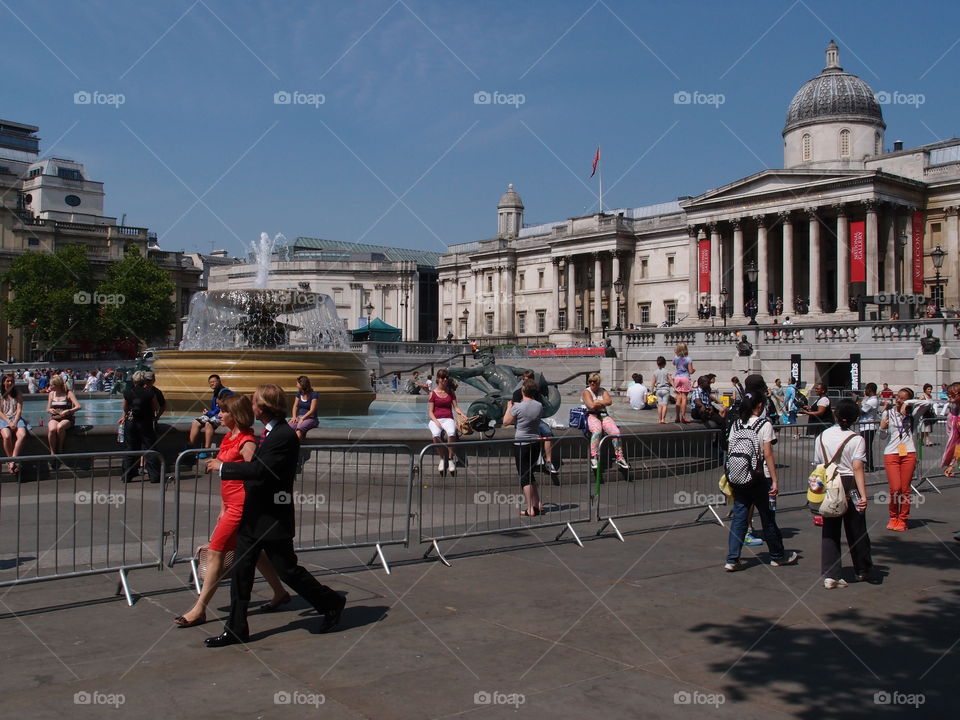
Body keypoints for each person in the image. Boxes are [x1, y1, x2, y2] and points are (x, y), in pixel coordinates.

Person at [203, 385, 346, 647]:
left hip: (272, 517)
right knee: (241, 572)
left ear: (264, 407)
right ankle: (236, 629)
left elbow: (260, 470)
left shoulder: (283, 436)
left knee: (288, 571)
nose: (251, 406)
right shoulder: (269, 434)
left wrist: (223, 467)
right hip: (254, 514)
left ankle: (331, 602)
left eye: (255, 402)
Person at [175, 394, 289, 628]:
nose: (219, 415)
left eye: (224, 411)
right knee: (255, 553)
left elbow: (255, 472)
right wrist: (222, 507)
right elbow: (227, 481)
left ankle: (200, 608)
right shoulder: (229, 437)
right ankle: (280, 592)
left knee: (216, 551)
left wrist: (223, 466)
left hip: (242, 506)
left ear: (235, 415)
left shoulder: (247, 441)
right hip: (231, 504)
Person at [724, 391, 798, 572]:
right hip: (759, 477)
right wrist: (775, 480)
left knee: (739, 518)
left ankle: (732, 559)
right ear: (759, 406)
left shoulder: (736, 424)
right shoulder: (764, 424)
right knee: (767, 517)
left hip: (739, 477)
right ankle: (777, 556)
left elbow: (730, 448)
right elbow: (768, 454)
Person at [814, 398, 873, 588]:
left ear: (836, 414)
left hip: (828, 482)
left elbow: (817, 463)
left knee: (830, 528)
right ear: (855, 418)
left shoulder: (822, 436)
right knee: (856, 526)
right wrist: (863, 495)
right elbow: (857, 468)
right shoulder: (857, 439)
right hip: (850, 483)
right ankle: (862, 569)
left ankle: (831, 574)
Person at [879, 387, 920, 532]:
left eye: (903, 398)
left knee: (905, 489)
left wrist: (908, 404)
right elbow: (882, 437)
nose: (898, 400)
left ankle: (902, 519)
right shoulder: (887, 413)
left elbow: (926, 404)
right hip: (891, 453)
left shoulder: (913, 414)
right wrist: (882, 428)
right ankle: (893, 516)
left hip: (908, 453)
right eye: (898, 397)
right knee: (895, 488)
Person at [502, 378, 544, 516]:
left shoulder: (518, 407)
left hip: (521, 444)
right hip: (536, 443)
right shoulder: (539, 405)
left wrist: (509, 407)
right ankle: (538, 503)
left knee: (524, 477)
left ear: (523, 390)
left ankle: (530, 507)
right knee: (530, 473)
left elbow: (506, 422)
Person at [505, 370, 558, 478]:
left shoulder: (536, 392)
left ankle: (548, 461)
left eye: (529, 380)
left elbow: (542, 407)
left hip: (534, 419)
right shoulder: (517, 393)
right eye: (525, 380)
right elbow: (516, 412)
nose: (526, 382)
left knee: (547, 432)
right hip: (522, 419)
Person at [581, 374, 629, 471]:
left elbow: (609, 401)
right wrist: (601, 402)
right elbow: (591, 406)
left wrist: (597, 403)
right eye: (590, 381)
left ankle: (619, 457)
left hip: (603, 415)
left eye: (595, 381)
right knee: (597, 430)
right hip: (591, 415)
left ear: (598, 382)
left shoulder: (603, 390)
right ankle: (594, 457)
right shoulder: (586, 392)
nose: (592, 383)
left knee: (616, 432)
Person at [428, 368, 467, 474]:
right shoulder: (433, 394)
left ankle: (450, 459)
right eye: (442, 377)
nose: (444, 379)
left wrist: (462, 414)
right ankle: (442, 459)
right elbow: (430, 412)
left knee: (451, 432)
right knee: (436, 434)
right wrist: (436, 422)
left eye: (446, 377)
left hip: (448, 418)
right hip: (435, 419)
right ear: (438, 378)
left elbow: (456, 408)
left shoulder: (451, 392)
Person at [188, 374, 231, 457]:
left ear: (219, 381)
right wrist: (208, 412)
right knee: (195, 422)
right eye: (210, 383)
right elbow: (215, 408)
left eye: (214, 382)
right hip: (213, 413)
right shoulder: (216, 392)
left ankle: (206, 450)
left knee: (209, 424)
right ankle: (190, 446)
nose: (212, 384)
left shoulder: (225, 392)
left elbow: (220, 408)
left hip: (222, 414)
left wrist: (208, 413)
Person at [0, 374, 29, 474]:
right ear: (3, 382)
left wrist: (15, 421)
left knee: (22, 435)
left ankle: (12, 460)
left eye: (12, 381)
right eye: (8, 381)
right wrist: (8, 422)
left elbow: (19, 409)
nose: (10, 383)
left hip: (15, 418)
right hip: (3, 418)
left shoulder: (18, 393)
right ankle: (10, 460)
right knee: (7, 436)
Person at [46, 374, 81, 459]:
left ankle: (60, 447)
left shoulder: (68, 393)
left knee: (60, 427)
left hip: (67, 418)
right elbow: (47, 408)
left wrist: (69, 410)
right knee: (52, 429)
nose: (50, 386)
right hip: (55, 417)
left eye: (52, 385)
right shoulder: (51, 394)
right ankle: (52, 450)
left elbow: (78, 406)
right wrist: (50, 410)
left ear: (57, 385)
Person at [858, 382, 880, 473]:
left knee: (867, 447)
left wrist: (857, 404)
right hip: (864, 425)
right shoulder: (869, 399)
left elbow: (862, 411)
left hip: (868, 426)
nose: (865, 391)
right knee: (865, 446)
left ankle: (869, 466)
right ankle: (867, 464)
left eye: (866, 389)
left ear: (870, 390)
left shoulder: (872, 400)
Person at [289, 375, 319, 441]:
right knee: (289, 427)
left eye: (297, 383)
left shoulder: (314, 394)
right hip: (300, 417)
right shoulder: (299, 394)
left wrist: (303, 418)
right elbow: (295, 406)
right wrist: (294, 417)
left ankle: (296, 448)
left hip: (311, 418)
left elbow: (312, 410)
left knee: (299, 430)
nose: (296, 385)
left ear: (302, 384)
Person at [672, 342, 695, 423]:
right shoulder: (688, 359)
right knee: (684, 398)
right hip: (685, 377)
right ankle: (683, 417)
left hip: (677, 378)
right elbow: (691, 371)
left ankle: (677, 417)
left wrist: (675, 354)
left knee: (678, 398)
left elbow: (673, 363)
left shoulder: (676, 358)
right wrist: (694, 370)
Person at [652, 356, 673, 424]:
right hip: (665, 390)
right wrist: (675, 387)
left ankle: (659, 419)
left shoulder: (655, 372)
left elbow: (653, 382)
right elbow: (670, 380)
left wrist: (652, 391)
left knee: (660, 405)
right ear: (665, 363)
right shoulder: (666, 371)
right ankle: (663, 419)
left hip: (658, 390)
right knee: (664, 405)